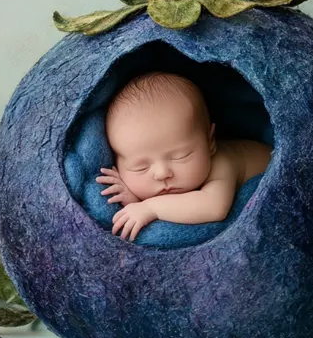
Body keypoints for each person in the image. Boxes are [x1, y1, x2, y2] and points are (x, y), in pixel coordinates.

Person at [97, 71, 271, 242]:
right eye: (140, 167)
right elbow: (177, 202)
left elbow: (213, 207)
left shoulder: (222, 162)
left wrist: (149, 207)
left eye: (181, 156)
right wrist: (132, 199)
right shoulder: (173, 177)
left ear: (210, 142)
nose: (162, 173)